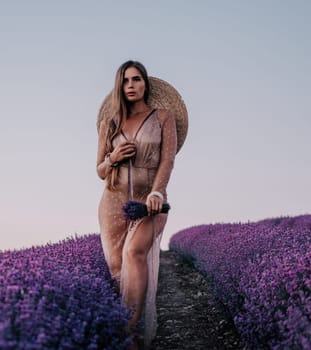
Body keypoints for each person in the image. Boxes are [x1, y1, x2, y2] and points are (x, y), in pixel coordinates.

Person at [96, 60, 180, 349]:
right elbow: (99, 170)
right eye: (125, 81)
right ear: (120, 86)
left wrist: (157, 192)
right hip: (113, 201)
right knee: (118, 269)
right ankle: (128, 328)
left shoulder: (163, 117)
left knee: (135, 252)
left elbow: (168, 159)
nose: (131, 85)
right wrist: (114, 157)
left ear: (146, 84)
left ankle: (130, 335)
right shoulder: (110, 124)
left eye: (136, 79)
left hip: (149, 202)